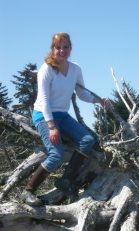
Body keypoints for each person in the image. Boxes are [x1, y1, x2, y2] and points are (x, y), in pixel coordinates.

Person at [22, 32, 108, 206]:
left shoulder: (75, 69)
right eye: (58, 47)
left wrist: (98, 101)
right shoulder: (47, 69)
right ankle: (28, 191)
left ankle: (66, 180)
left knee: (87, 140)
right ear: (52, 49)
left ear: (70, 48)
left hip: (62, 114)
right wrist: (52, 126)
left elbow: (82, 93)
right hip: (43, 115)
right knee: (56, 155)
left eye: (65, 47)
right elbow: (44, 100)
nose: (62, 50)